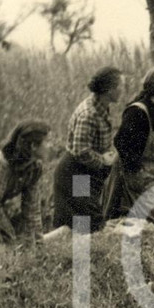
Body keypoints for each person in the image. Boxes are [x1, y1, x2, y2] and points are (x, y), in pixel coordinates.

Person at [51, 66, 123, 233]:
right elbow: (81, 151)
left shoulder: (102, 107)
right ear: (109, 90)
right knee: (83, 222)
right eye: (120, 86)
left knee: (83, 223)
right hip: (76, 171)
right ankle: (42, 247)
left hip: (85, 171)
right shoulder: (89, 114)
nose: (122, 90)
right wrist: (104, 160)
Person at [104, 66, 154, 222]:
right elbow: (121, 143)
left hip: (151, 176)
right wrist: (138, 173)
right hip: (130, 177)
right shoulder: (138, 111)